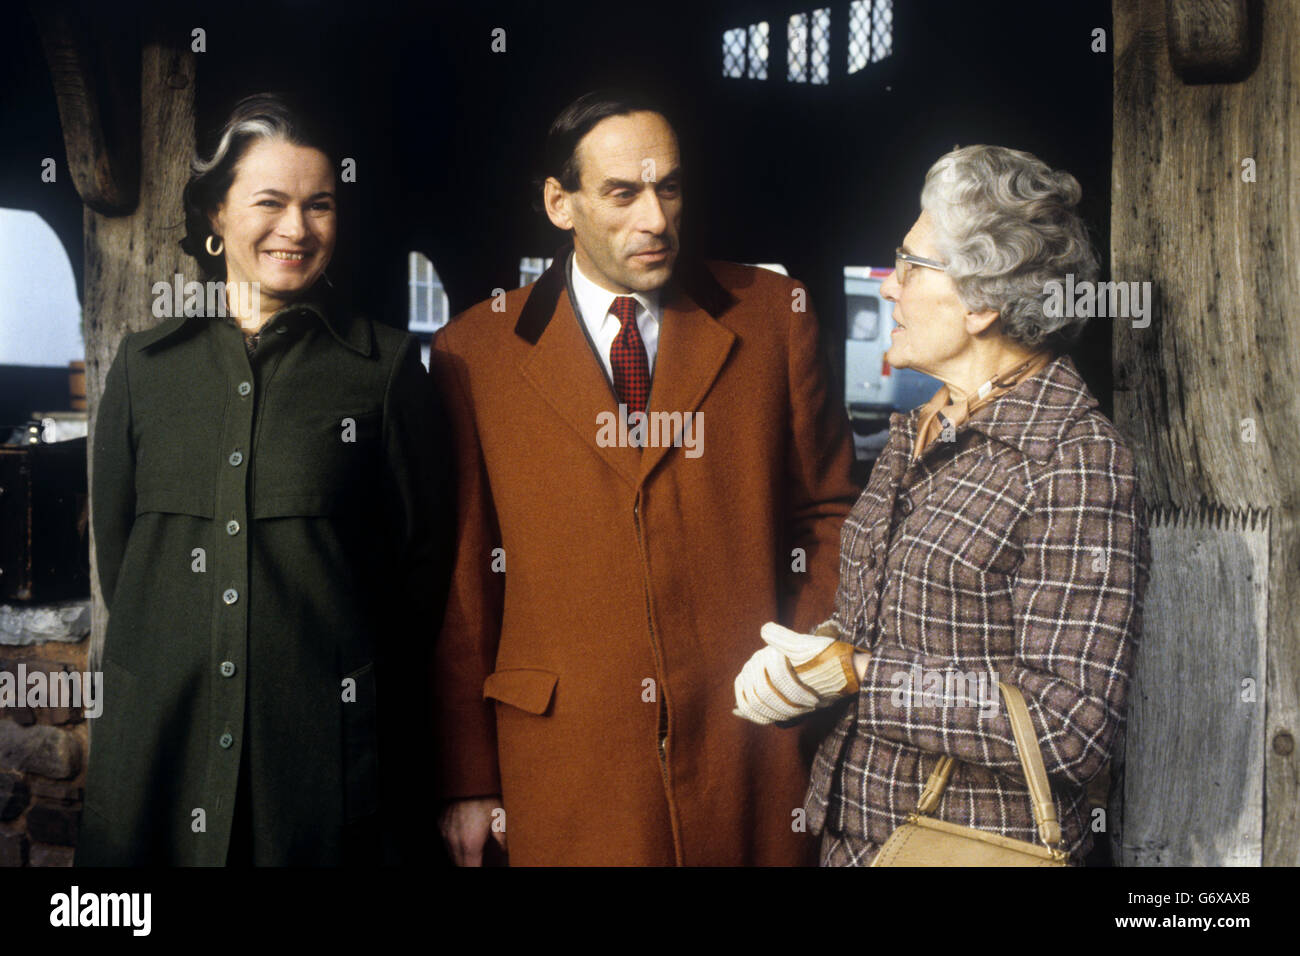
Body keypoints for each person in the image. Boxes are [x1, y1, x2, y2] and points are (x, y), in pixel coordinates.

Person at [432, 89, 858, 866]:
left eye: (669, 188)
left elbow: (831, 510)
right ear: (560, 204)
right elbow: (466, 576)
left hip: (749, 746)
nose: (656, 219)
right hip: (563, 759)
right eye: (622, 193)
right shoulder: (475, 350)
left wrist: (801, 657)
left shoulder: (773, 314)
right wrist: (468, 777)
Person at [733, 145, 1150, 866]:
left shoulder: (1073, 457)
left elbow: (1071, 727)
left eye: (910, 265)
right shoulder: (924, 424)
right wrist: (818, 658)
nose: (888, 288)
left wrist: (862, 676)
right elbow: (904, 622)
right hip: (857, 840)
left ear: (983, 301)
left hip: (969, 846)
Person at [77, 93, 449, 866]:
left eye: (320, 205)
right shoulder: (147, 373)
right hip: (162, 759)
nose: (297, 229)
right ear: (216, 214)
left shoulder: (383, 374)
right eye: (269, 202)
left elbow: (421, 578)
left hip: (318, 769)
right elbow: (123, 563)